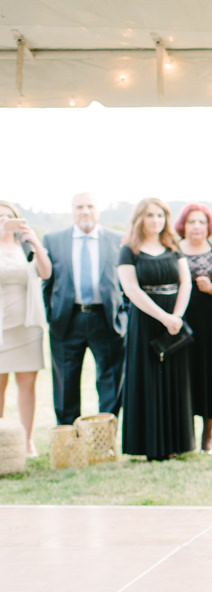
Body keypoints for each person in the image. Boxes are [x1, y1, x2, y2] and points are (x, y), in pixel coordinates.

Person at [116, 198, 195, 461]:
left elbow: (186, 283)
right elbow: (131, 289)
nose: (156, 220)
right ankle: (150, 445)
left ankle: (176, 443)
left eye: (160, 215)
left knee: (174, 378)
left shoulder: (173, 247)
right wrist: (163, 317)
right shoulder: (129, 250)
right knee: (148, 377)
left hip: (174, 320)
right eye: (150, 215)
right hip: (146, 319)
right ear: (140, 218)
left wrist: (177, 318)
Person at [41, 192, 126, 425]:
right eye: (79, 207)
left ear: (99, 210)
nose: (85, 211)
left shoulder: (118, 239)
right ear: (72, 211)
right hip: (67, 320)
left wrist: (123, 314)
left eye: (90, 206)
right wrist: (52, 315)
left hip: (106, 319)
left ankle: (104, 438)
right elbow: (46, 283)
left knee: (110, 381)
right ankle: (68, 436)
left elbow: (127, 282)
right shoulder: (53, 240)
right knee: (65, 383)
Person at [175, 202, 212, 454]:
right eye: (191, 222)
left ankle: (208, 435)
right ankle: (183, 434)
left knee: (211, 377)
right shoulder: (172, 251)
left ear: (209, 226)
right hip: (181, 322)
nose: (197, 227)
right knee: (183, 377)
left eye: (201, 222)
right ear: (182, 226)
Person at [0, 201, 51, 457]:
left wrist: (35, 243)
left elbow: (46, 272)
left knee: (27, 383)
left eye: (8, 217)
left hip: (28, 324)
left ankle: (27, 441)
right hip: (1, 326)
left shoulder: (26, 246)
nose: (4, 221)